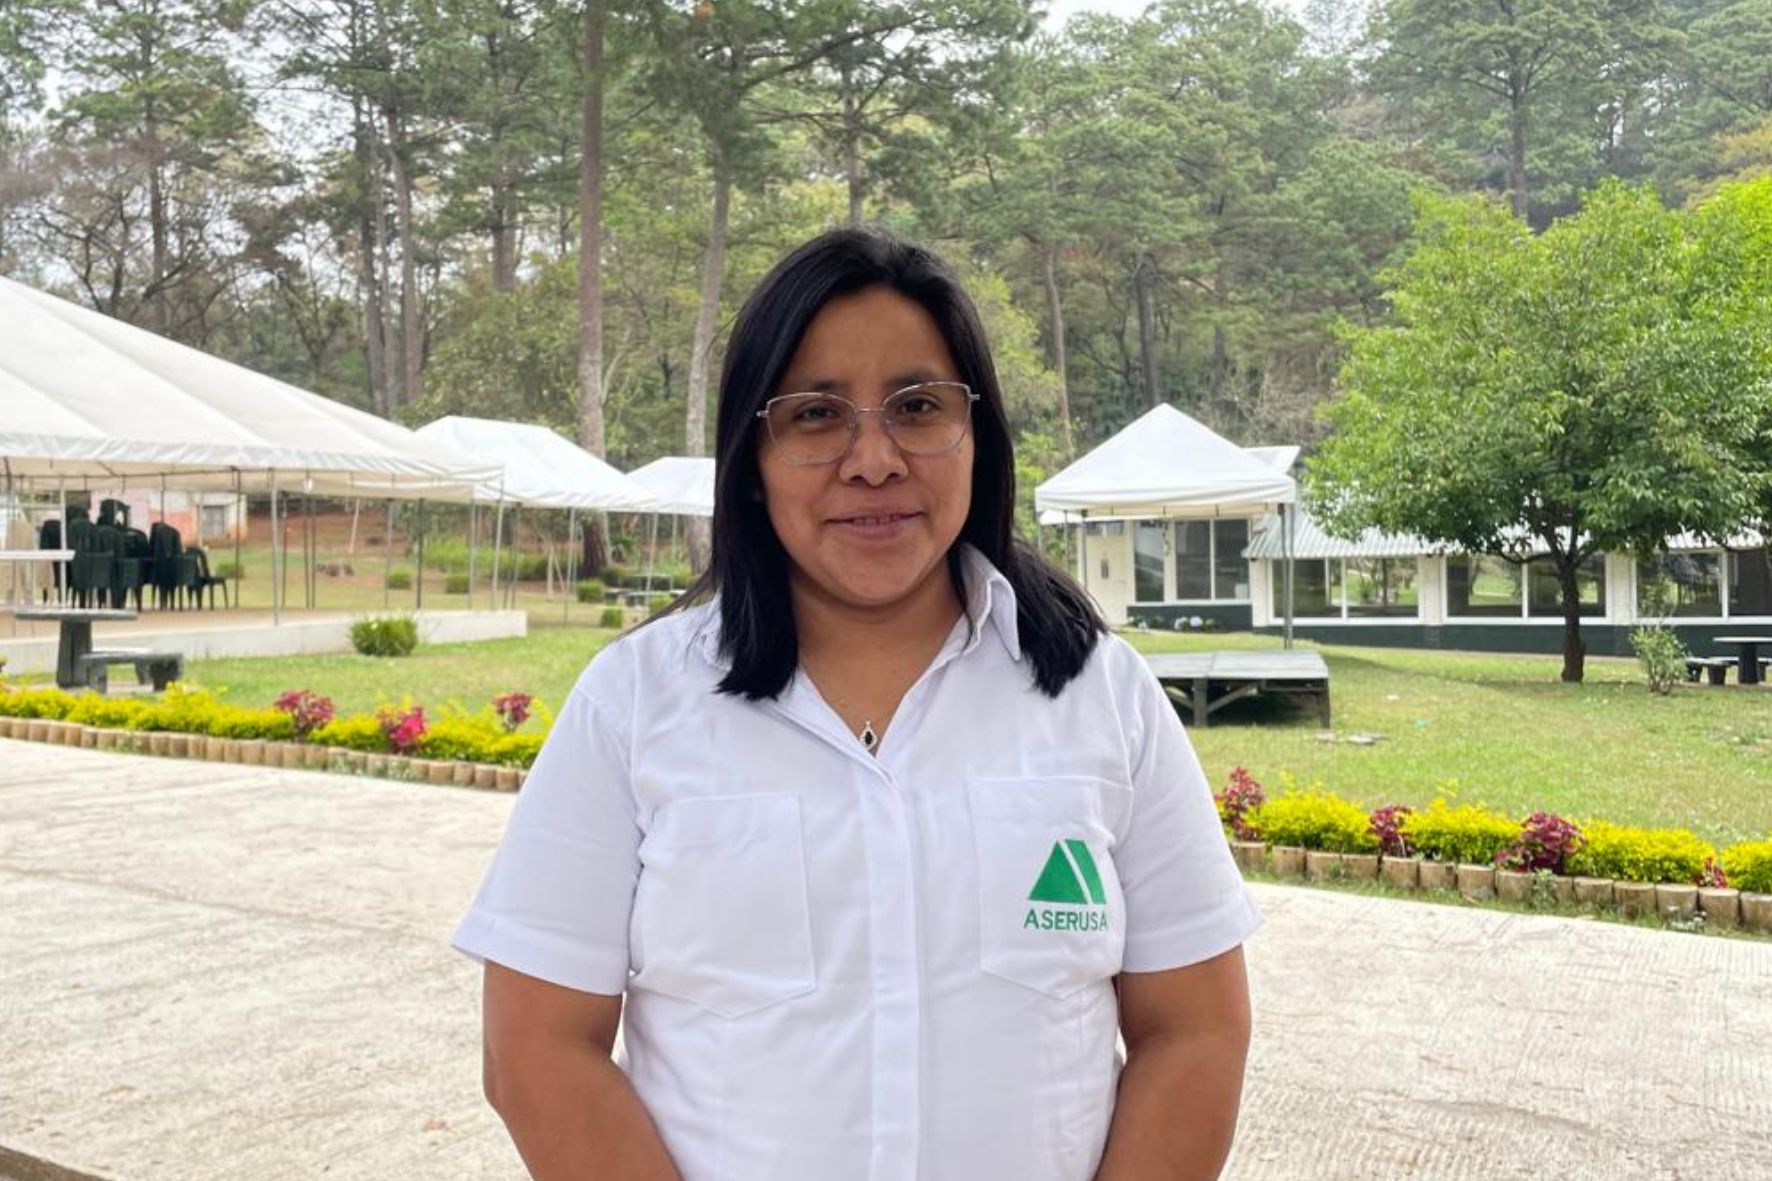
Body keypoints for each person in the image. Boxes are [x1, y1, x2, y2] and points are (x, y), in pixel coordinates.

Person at [451, 227, 1261, 1181]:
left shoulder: (1099, 694)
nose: (873, 460)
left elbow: (1195, 1030)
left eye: (917, 406)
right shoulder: (634, 706)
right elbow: (538, 1049)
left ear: (977, 434)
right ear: (752, 453)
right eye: (816, 415)